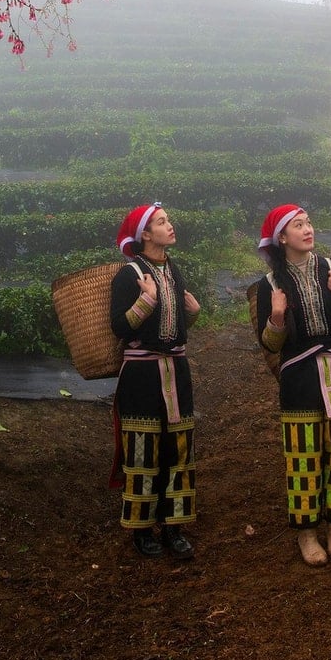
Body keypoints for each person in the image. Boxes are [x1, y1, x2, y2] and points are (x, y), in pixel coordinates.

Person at [251, 204, 331, 567]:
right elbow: (271, 345)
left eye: (308, 222)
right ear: (282, 237)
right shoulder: (269, 285)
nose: (308, 229)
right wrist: (276, 316)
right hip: (299, 379)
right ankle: (307, 533)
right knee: (304, 454)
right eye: (298, 225)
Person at [109, 203, 200, 559]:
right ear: (145, 234)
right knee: (143, 449)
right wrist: (145, 300)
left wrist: (191, 314)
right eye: (162, 222)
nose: (170, 226)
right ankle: (142, 529)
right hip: (142, 375)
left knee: (177, 448)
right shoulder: (127, 274)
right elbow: (120, 326)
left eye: (169, 220)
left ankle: (174, 526)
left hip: (176, 372)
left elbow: (171, 328)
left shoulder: (173, 270)